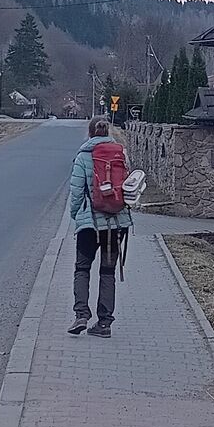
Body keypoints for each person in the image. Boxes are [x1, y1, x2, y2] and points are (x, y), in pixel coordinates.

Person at [69, 116, 131, 337]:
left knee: (82, 268)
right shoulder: (120, 153)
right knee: (107, 271)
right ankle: (104, 323)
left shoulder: (83, 156)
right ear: (108, 132)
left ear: (90, 132)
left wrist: (76, 216)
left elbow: (76, 192)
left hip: (90, 224)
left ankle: (81, 315)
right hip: (116, 223)